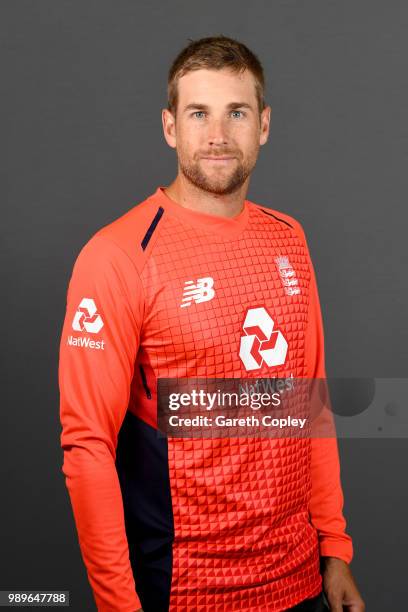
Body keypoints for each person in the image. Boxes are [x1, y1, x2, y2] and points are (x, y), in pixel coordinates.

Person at [58, 35, 365, 612]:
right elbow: (87, 447)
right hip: (186, 591)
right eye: (199, 113)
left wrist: (335, 549)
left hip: (300, 583)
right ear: (171, 127)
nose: (218, 134)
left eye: (237, 113)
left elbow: (310, 402)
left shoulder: (288, 238)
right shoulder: (119, 255)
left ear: (264, 125)